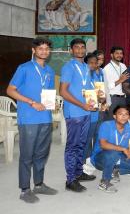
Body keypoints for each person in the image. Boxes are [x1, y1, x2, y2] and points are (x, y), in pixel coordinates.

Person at [7, 37, 58, 203]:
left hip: (45, 117)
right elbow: (10, 90)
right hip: (29, 118)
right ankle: (24, 189)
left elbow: (48, 93)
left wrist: (53, 103)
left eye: (47, 49)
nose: (44, 51)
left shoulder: (50, 71)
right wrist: (31, 102)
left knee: (42, 153)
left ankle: (39, 184)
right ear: (33, 50)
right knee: (27, 155)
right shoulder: (24, 68)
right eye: (41, 48)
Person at [59, 38, 96, 193]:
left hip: (86, 111)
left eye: (82, 47)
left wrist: (95, 101)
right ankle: (70, 180)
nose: (80, 50)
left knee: (82, 144)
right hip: (74, 113)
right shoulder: (69, 67)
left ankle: (79, 172)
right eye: (77, 47)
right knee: (72, 146)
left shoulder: (86, 67)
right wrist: (82, 105)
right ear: (71, 50)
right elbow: (63, 91)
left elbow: (86, 91)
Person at [91, 105, 130, 193]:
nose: (124, 116)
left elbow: (129, 142)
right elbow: (103, 145)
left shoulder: (128, 128)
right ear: (114, 116)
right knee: (113, 154)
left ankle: (115, 169)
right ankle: (104, 182)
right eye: (120, 114)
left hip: (118, 157)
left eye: (126, 114)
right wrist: (123, 149)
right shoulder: (106, 125)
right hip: (101, 158)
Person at [83, 53, 107, 175]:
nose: (94, 64)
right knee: (87, 138)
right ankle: (85, 162)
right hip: (89, 113)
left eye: (95, 62)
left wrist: (103, 99)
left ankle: (94, 159)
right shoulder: (84, 77)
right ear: (85, 64)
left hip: (99, 111)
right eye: (91, 62)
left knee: (98, 136)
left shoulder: (98, 75)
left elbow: (101, 92)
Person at [103, 46, 128, 120]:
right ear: (111, 55)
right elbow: (106, 86)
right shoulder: (107, 68)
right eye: (117, 53)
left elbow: (126, 80)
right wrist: (120, 80)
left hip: (123, 98)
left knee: (122, 121)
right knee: (111, 120)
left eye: (121, 53)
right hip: (112, 98)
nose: (119, 55)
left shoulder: (123, 66)